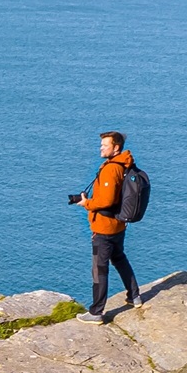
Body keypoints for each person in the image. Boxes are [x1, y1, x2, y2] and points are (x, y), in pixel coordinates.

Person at [72, 130, 139, 321]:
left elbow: (107, 200)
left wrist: (87, 204)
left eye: (105, 145)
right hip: (118, 224)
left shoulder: (111, 168)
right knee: (119, 258)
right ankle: (134, 295)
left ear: (116, 147)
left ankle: (97, 312)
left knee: (99, 269)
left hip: (104, 227)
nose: (101, 148)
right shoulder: (125, 163)